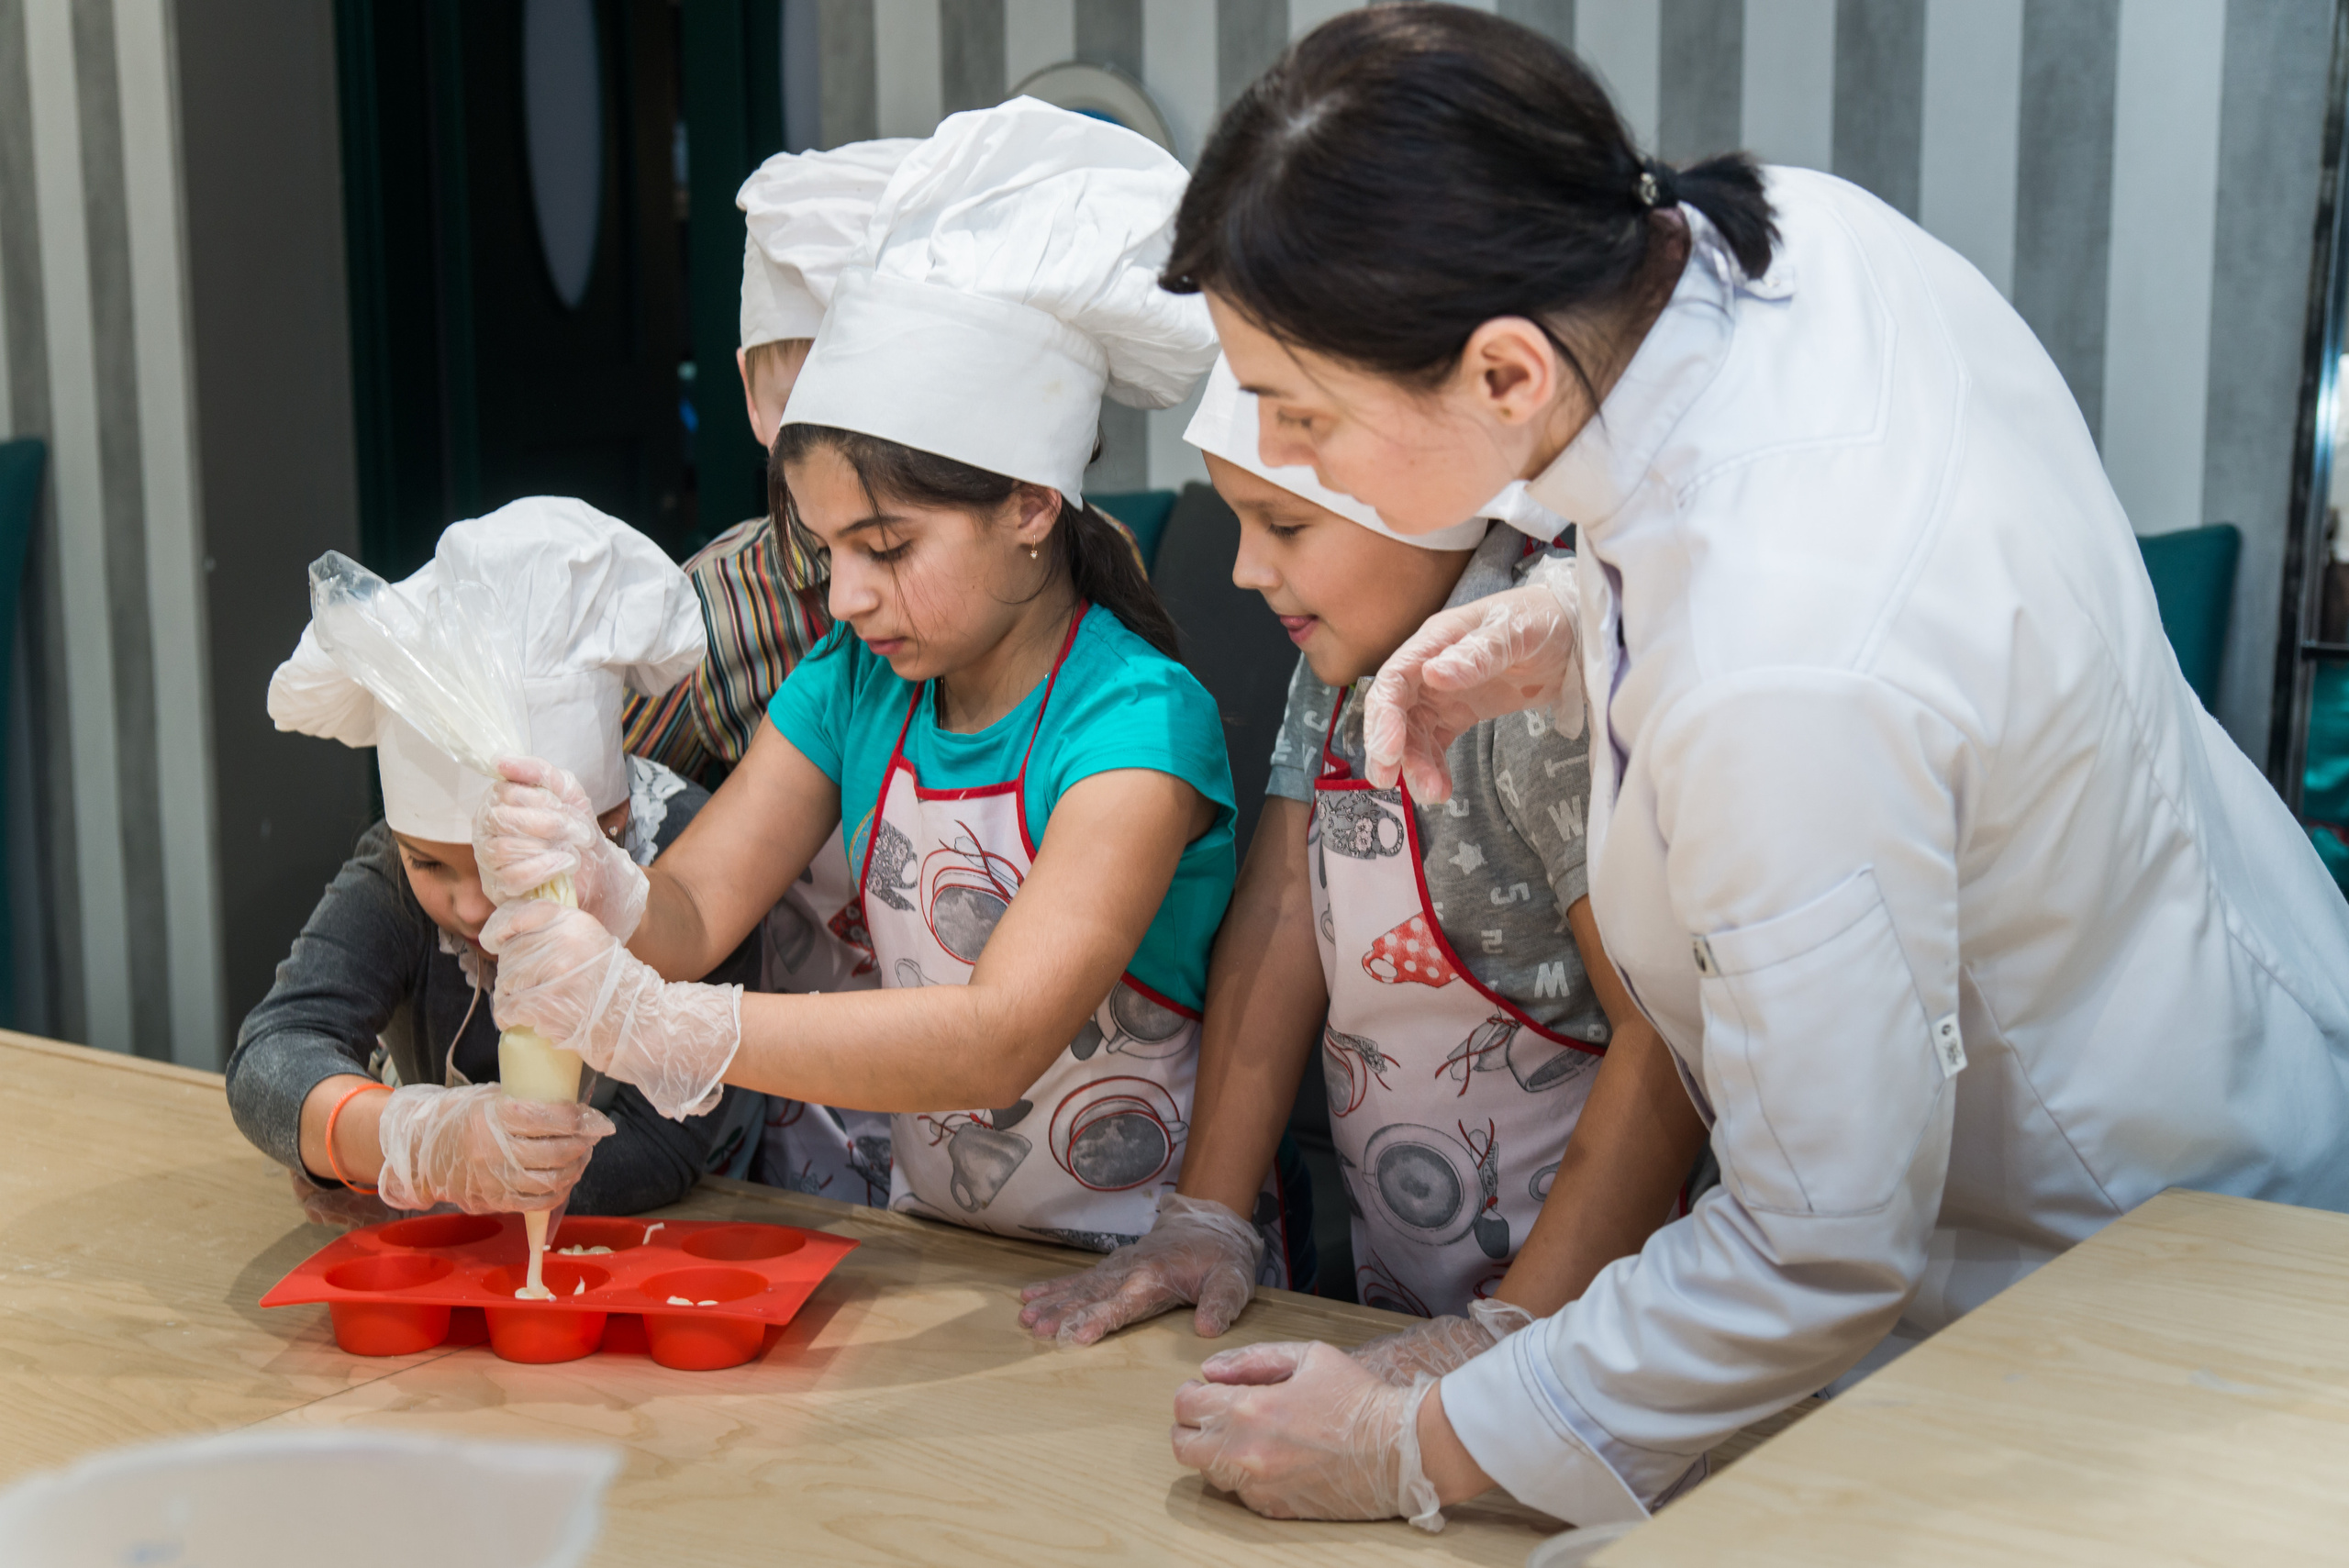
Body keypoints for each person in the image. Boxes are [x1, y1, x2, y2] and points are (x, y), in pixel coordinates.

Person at [1153, 5, 2349, 1533]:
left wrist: (1417, 1442)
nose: (1277, 451)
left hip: (2112, 1260)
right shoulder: (1782, 241)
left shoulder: (1780, 674)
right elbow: (1885, 569)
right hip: (2233, 1038)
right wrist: (1580, 618)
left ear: (1508, 376)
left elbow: (1817, 1238)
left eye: (1305, 419)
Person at [471, 100, 1309, 1276]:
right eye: (827, 551)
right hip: (937, 1248)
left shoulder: (1135, 724)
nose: (848, 595)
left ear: (1030, 505)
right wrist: (607, 892)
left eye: (888, 546)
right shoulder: (853, 679)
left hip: (1139, 1267)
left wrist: (674, 1025)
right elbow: (700, 907)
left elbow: (995, 1037)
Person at [1018, 359, 1707, 1366]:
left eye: (1286, 526)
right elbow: (1279, 918)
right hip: (1403, 1294)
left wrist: (1513, 1334)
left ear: (1418, 498)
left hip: (1594, 1321)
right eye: (1238, 522)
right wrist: (1205, 1212)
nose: (1246, 569)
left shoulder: (1530, 685)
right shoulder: (1333, 669)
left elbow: (1663, 1031)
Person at [229, 497, 762, 1225]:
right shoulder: (394, 872)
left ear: (608, 825)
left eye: (503, 868)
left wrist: (436, 1185)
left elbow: (660, 1150)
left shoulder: (685, 860)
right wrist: (405, 1141)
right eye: (432, 864)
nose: (471, 907)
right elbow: (272, 1055)